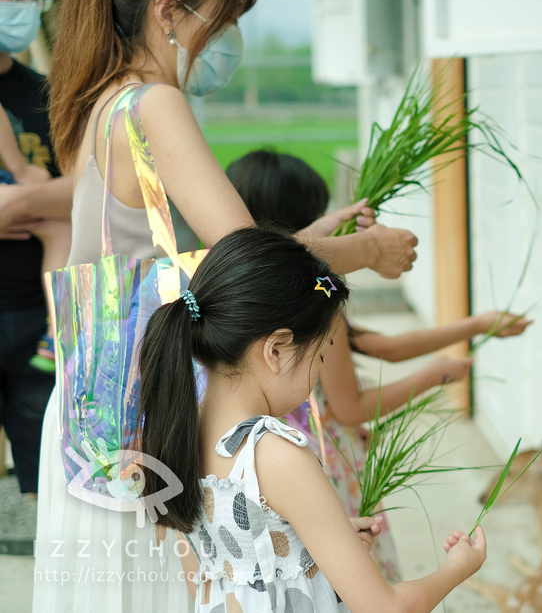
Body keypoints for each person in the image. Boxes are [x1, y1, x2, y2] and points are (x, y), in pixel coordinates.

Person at [33, 0, 418, 609]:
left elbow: (201, 253)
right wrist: (367, 253)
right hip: (150, 418)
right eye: (226, 17)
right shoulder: (157, 104)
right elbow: (250, 264)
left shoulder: (101, 101)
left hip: (93, 413)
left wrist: (315, 238)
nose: (230, 38)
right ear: (169, 12)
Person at [138, 227, 487, 613]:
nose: (318, 374)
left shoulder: (178, 435)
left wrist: (315, 548)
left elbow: (214, 579)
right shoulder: (276, 455)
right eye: (319, 358)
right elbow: (387, 608)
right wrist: (457, 568)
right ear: (275, 350)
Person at [227, 149, 528, 581]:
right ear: (295, 227)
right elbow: (350, 407)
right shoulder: (308, 306)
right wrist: (436, 375)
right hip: (324, 464)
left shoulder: (243, 303)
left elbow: (378, 345)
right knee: (351, 575)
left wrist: (478, 325)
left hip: (305, 459)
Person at [0, 0, 64, 500]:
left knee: (44, 486)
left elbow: (88, 191)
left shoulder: (48, 96)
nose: (20, 8)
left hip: (35, 324)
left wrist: (22, 201)